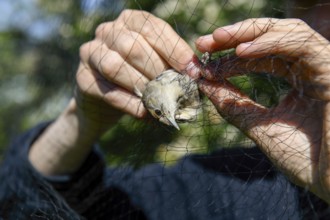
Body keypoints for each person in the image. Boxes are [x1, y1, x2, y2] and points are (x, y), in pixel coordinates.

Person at [1, 8, 330, 219]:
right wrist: (80, 123)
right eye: (306, 3)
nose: (317, 28)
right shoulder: (234, 187)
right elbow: (28, 208)